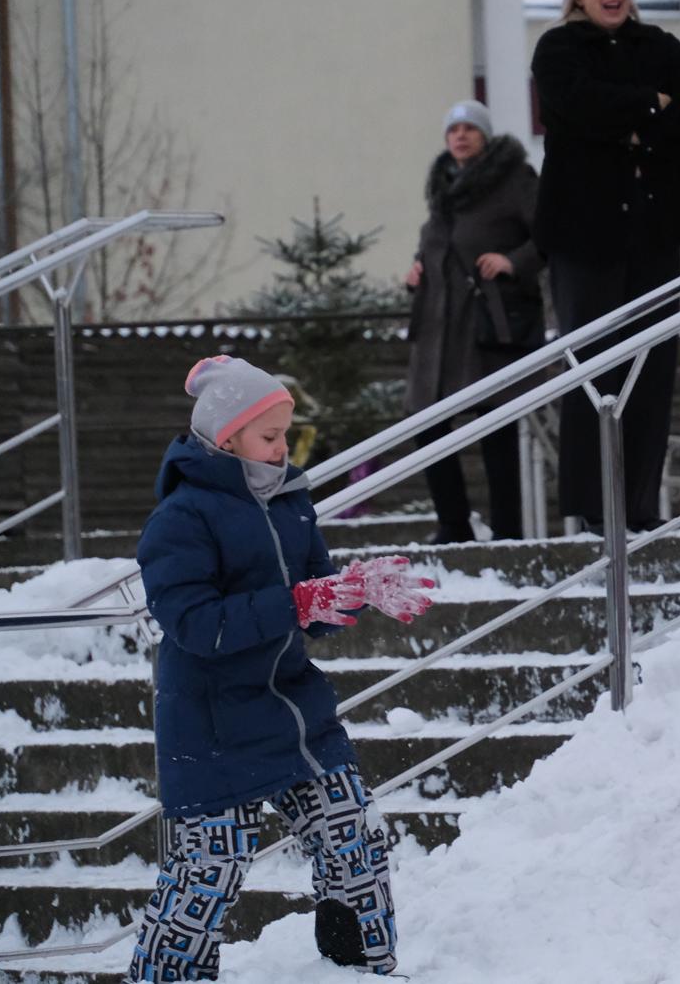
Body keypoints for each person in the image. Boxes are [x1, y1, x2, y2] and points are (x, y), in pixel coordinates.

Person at [129, 355, 435, 981]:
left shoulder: (291, 501)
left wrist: (351, 591)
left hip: (294, 710)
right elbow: (196, 625)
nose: (282, 449)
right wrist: (298, 602)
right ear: (226, 439)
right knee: (207, 873)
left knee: (355, 840)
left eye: (284, 435)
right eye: (269, 436)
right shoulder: (180, 520)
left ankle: (359, 968)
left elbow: (313, 605)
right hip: (212, 725)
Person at [531, 0, 680, 534]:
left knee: (652, 369)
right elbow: (575, 106)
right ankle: (591, 509)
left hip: (654, 231)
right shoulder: (557, 48)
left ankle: (639, 505)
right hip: (584, 235)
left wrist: (631, 130)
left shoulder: (660, 46)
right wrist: (647, 106)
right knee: (593, 370)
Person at [405, 98, 547, 544]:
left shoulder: (514, 179)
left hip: (489, 321)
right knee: (426, 421)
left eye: (470, 128)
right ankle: (454, 524)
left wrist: (513, 261)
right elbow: (437, 242)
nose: (460, 136)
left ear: (485, 136)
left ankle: (507, 533)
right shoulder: (443, 186)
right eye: (453, 130)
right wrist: (418, 268)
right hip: (438, 325)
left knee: (496, 425)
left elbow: (549, 234)